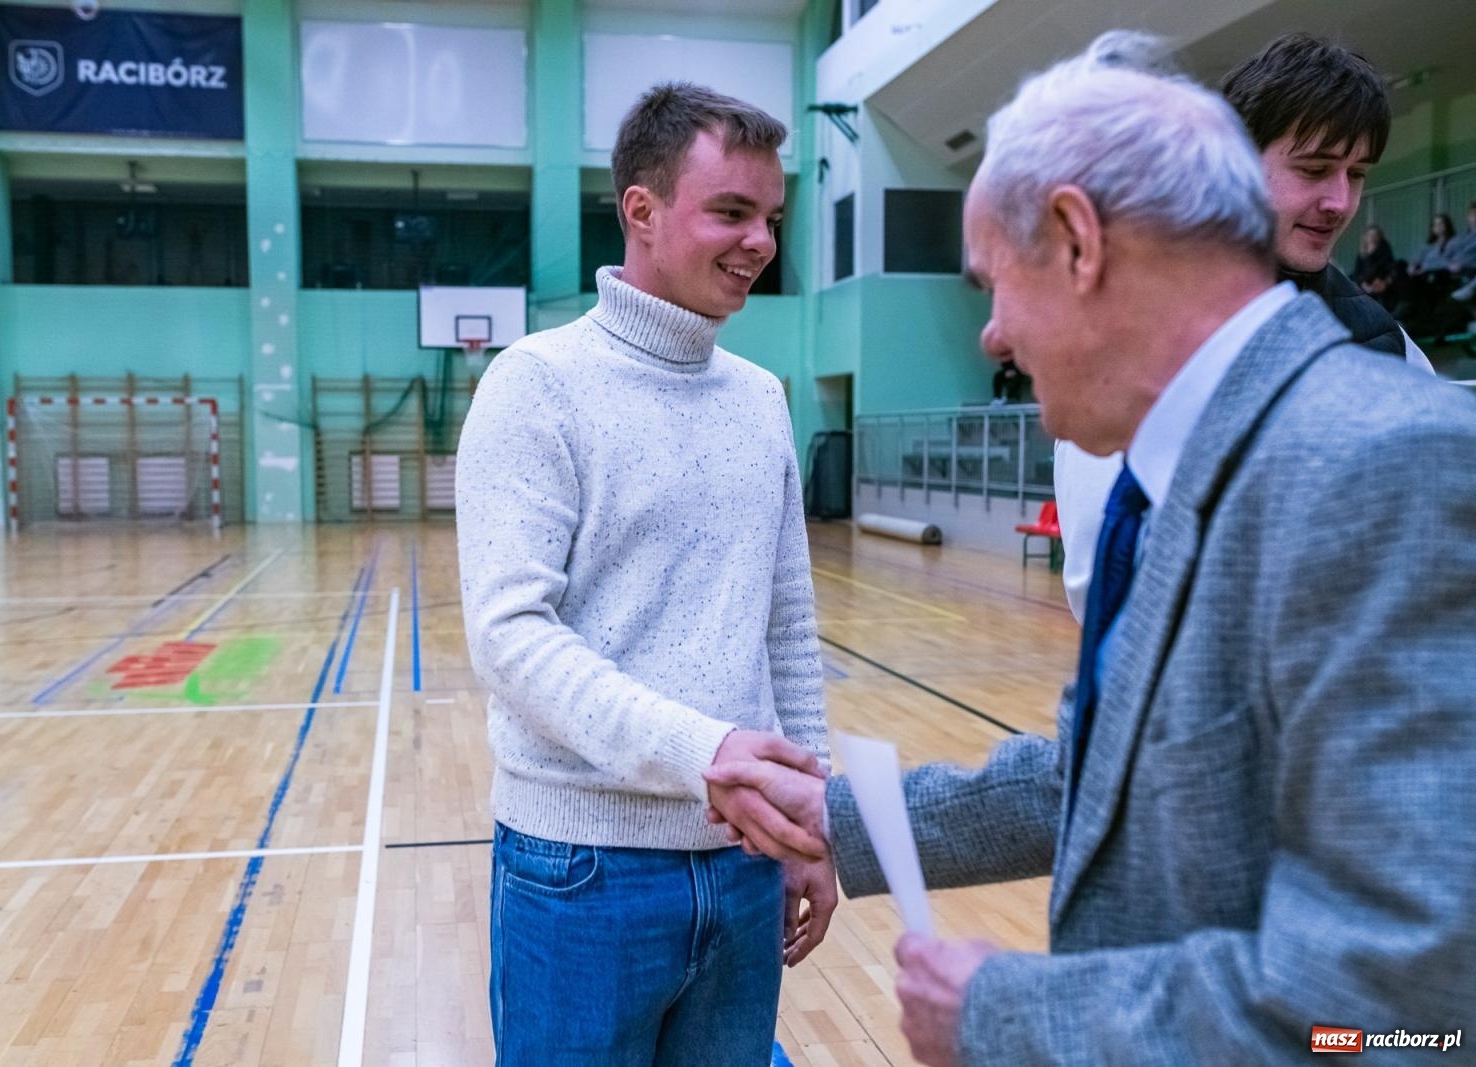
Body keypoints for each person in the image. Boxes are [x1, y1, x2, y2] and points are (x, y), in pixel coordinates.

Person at [708, 31, 1476, 1065]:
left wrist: (1008, 1015)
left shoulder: (1384, 467)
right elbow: (1107, 773)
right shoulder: (1197, 467)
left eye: (994, 282)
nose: (989, 336)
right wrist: (838, 815)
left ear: (1076, 241)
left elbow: (1397, 1016)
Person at [455, 82, 833, 1065]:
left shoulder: (759, 399)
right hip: (581, 871)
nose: (759, 241)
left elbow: (787, 622)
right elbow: (510, 635)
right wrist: (703, 750)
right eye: (731, 212)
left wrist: (811, 815)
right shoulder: (535, 385)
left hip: (745, 864)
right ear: (642, 210)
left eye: (771, 218)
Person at [1055, 32, 1434, 621]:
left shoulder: (1385, 345)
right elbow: (1104, 580)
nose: (1339, 201)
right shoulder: (1130, 338)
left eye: (1356, 174)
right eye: (1313, 169)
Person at [1349, 224, 1396, 302]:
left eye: (1375, 235)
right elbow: (1357, 272)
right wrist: (1363, 284)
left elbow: (1388, 267)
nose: (1372, 238)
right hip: (1365, 283)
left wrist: (1384, 282)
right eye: (1369, 235)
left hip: (1381, 281)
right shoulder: (1362, 254)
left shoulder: (1384, 250)